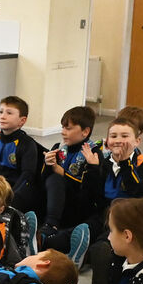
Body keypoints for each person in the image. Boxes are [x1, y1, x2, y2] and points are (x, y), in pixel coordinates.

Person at [80, 117, 143, 284]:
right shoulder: (105, 162)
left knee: (101, 250)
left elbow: (140, 194)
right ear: (107, 141)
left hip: (132, 220)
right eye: (113, 136)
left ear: (137, 141)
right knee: (74, 233)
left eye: (125, 136)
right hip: (106, 215)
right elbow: (95, 198)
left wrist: (126, 163)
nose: (118, 140)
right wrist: (93, 169)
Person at [37, 106, 100, 261]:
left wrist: (62, 173)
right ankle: (39, 233)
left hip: (78, 206)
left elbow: (90, 191)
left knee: (56, 179)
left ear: (85, 132)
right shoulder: (58, 148)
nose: (63, 132)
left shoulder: (93, 153)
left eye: (69, 128)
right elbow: (42, 181)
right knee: (46, 181)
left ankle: (50, 228)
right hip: (55, 204)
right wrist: (47, 165)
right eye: (63, 127)